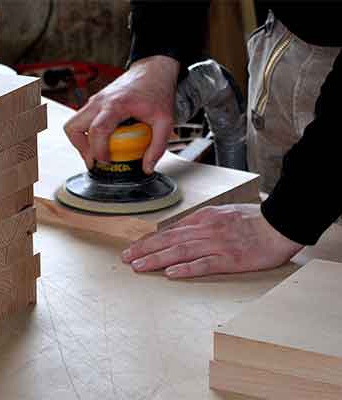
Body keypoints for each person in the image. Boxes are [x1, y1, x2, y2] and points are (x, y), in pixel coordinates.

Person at [64, 1, 342, 279]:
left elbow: (286, 219)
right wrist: (155, 56)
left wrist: (290, 215)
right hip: (292, 40)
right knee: (279, 277)